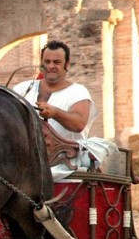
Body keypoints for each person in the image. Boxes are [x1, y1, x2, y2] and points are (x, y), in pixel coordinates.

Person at [13, 40, 116, 179]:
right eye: (47, 61)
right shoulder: (23, 89)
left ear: (67, 65)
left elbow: (79, 123)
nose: (51, 66)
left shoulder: (78, 92)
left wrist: (55, 113)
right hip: (26, 165)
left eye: (57, 62)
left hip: (66, 167)